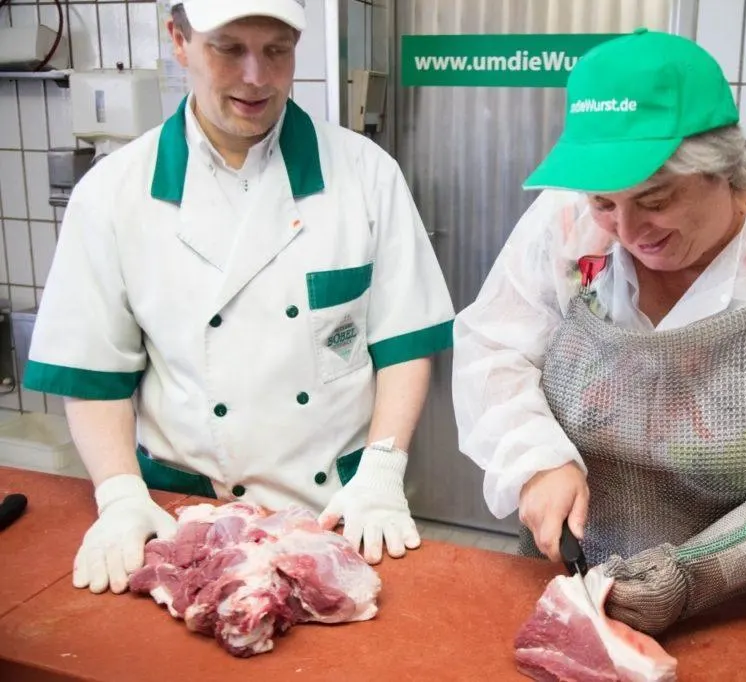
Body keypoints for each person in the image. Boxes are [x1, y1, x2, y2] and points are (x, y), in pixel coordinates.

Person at [451, 28, 746, 635]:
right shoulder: (567, 222)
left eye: (655, 199)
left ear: (724, 169)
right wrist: (535, 460)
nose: (627, 230)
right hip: (572, 583)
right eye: (604, 202)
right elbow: (493, 348)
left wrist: (693, 573)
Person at [24, 0, 454, 595]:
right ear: (179, 41)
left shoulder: (366, 173)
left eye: (277, 50)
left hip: (337, 509)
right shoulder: (113, 193)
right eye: (229, 49)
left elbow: (403, 341)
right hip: (183, 517)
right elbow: (94, 372)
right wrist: (120, 493)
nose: (256, 77)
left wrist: (381, 472)